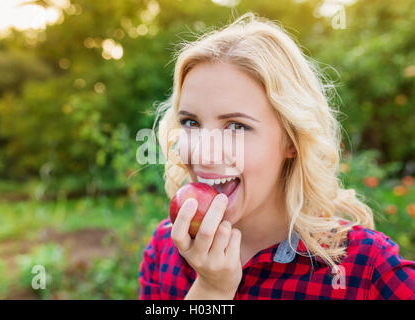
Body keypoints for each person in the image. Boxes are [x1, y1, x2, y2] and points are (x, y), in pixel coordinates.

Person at [138, 12, 415, 300]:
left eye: (236, 126)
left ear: (291, 141)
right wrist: (210, 290)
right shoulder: (165, 249)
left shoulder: (365, 270)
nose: (203, 152)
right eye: (191, 123)